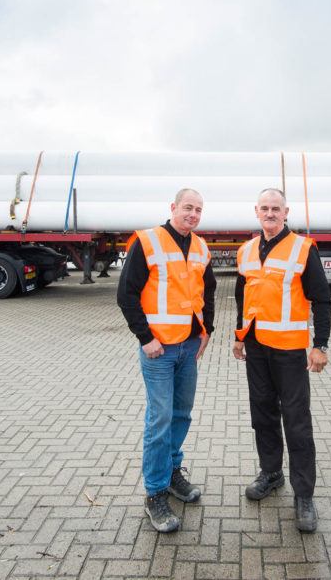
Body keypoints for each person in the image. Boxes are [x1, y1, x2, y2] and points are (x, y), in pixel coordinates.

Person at [232, 188, 331, 532]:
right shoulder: (246, 250)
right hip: (257, 346)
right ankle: (271, 472)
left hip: (290, 349)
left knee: (297, 421)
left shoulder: (303, 248)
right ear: (256, 211)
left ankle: (304, 494)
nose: (270, 213)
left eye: (276, 208)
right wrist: (238, 335)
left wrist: (320, 345)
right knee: (262, 413)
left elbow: (322, 299)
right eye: (265, 208)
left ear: (286, 212)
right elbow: (241, 294)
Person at [117, 188, 215, 533]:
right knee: (158, 421)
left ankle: (173, 473)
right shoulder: (147, 241)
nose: (192, 214)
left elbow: (209, 291)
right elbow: (126, 294)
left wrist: (207, 330)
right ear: (173, 207)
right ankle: (155, 493)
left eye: (198, 210)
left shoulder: (201, 247)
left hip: (189, 348)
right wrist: (146, 338)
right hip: (159, 350)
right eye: (187, 207)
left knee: (180, 415)